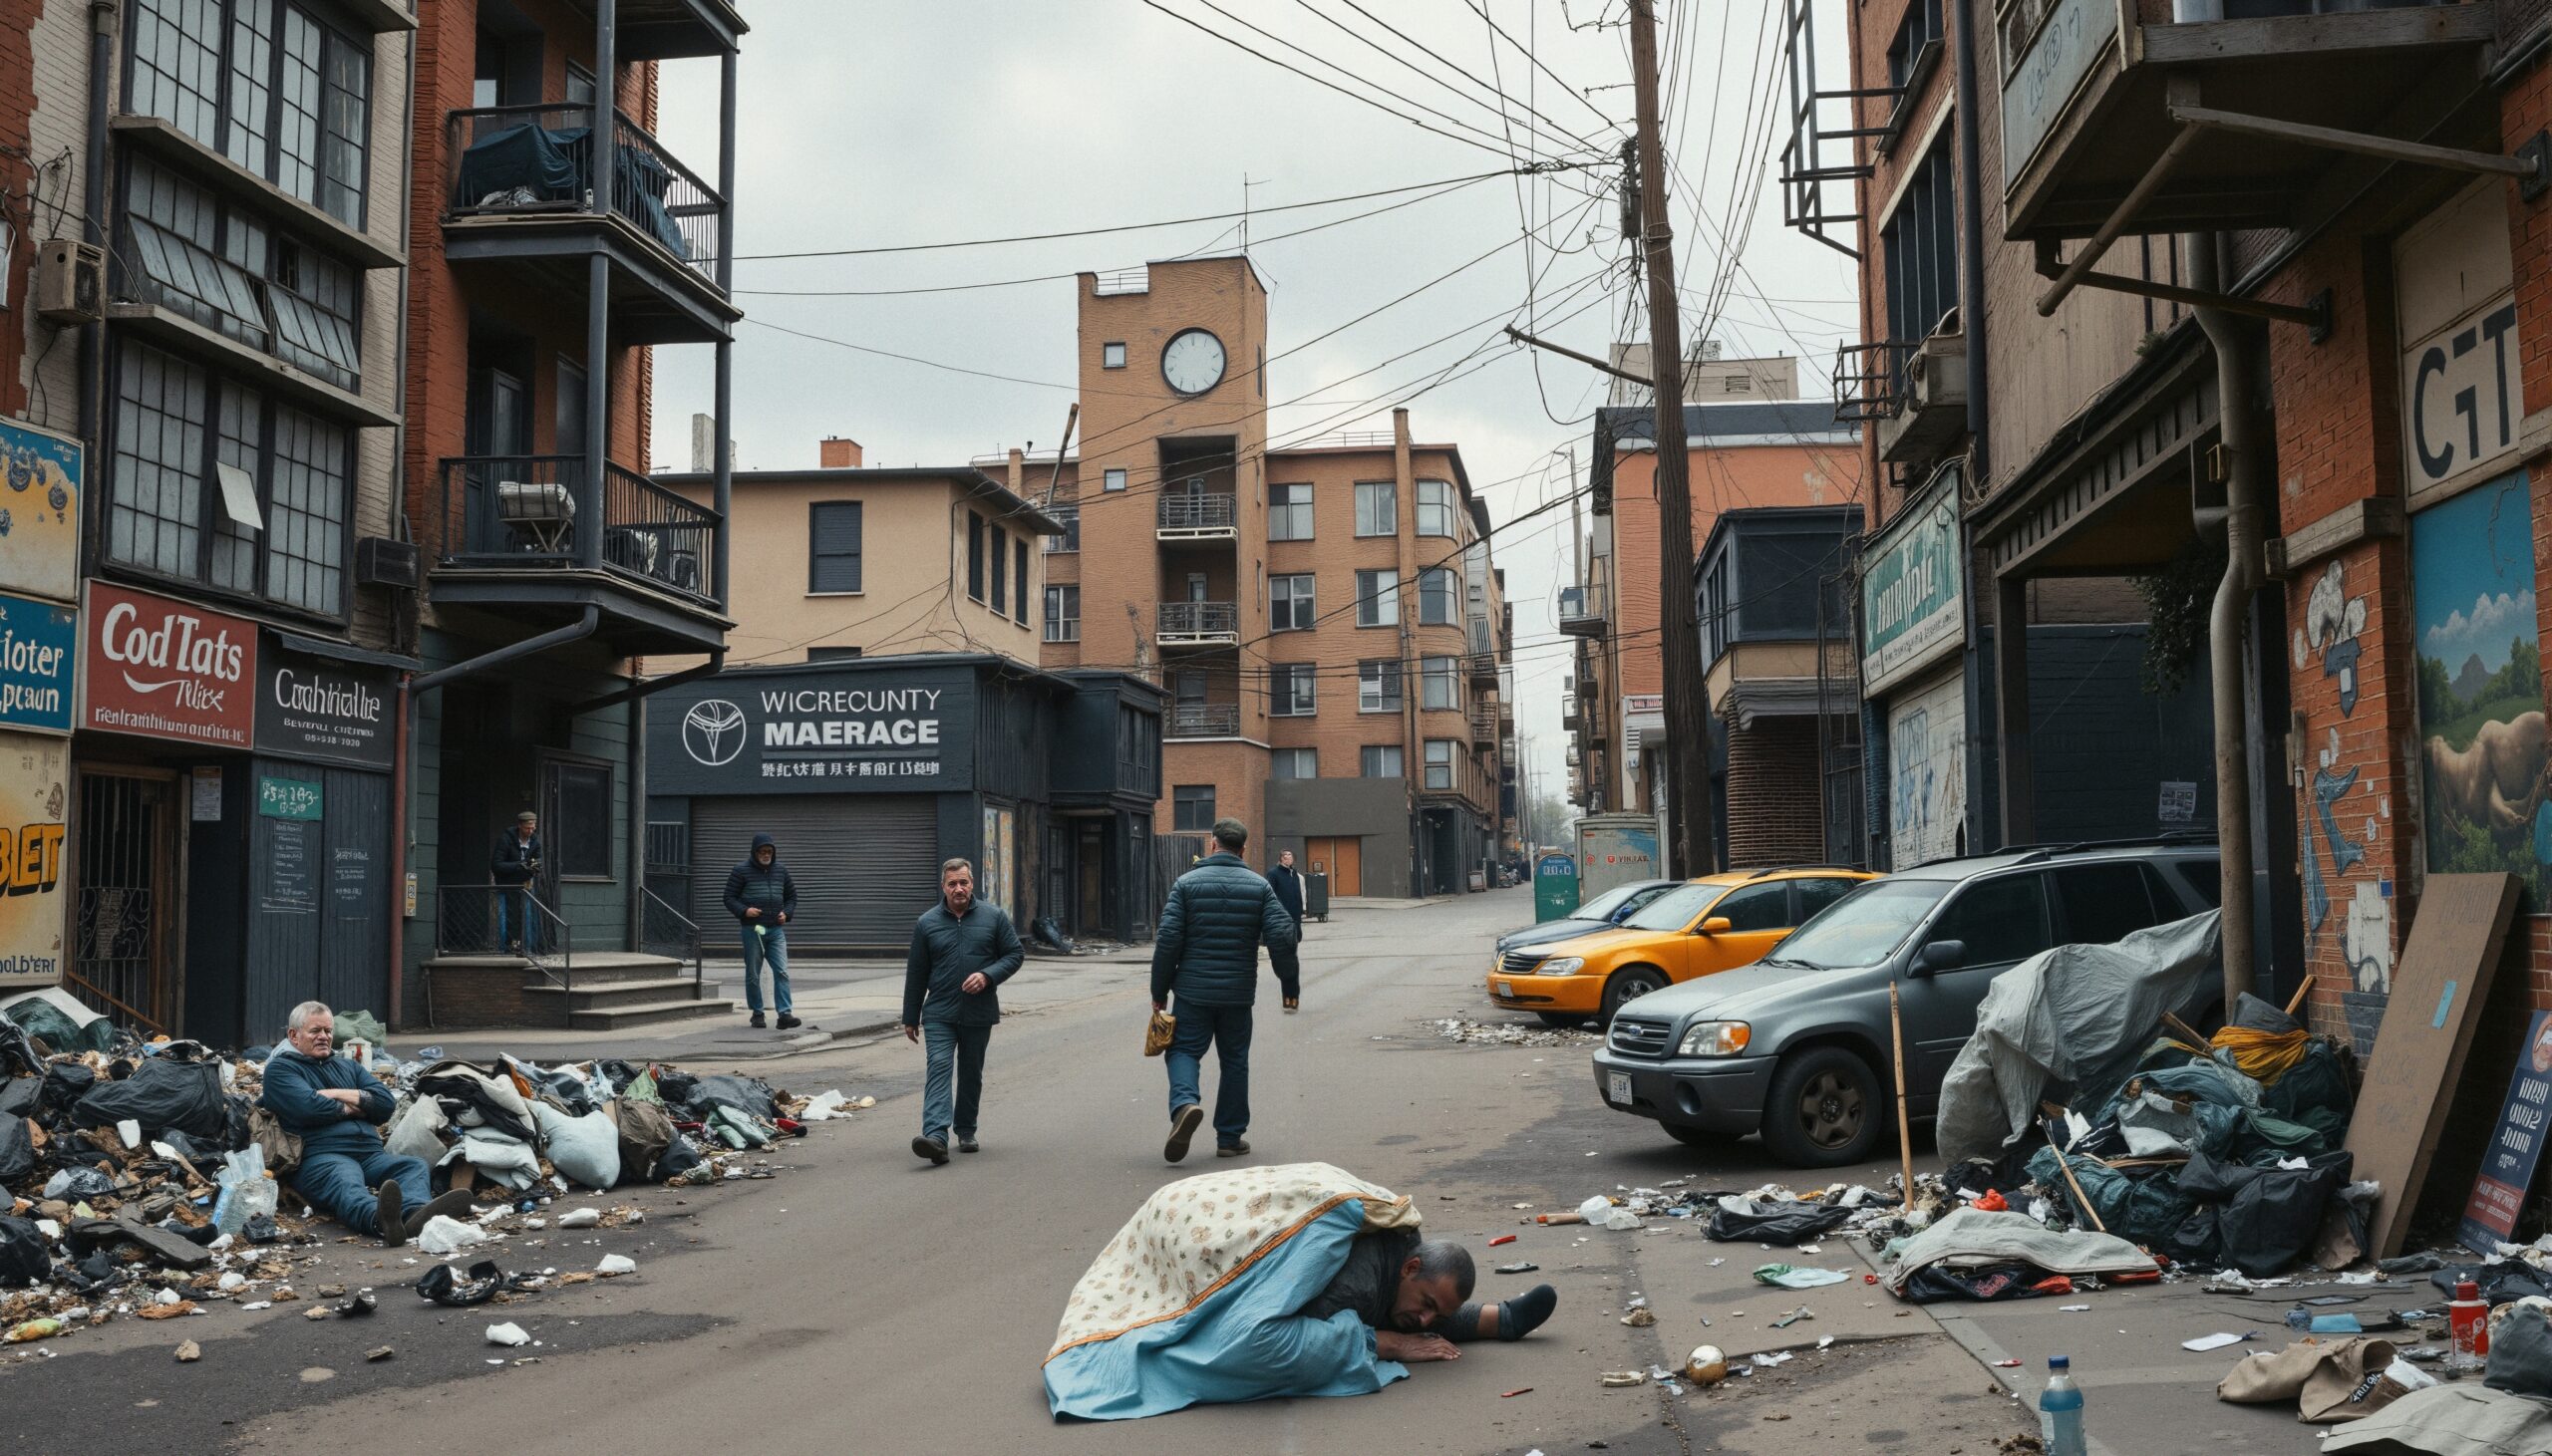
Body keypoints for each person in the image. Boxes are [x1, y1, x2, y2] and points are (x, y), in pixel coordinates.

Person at [1042, 1163, 1559, 1421]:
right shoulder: (1354, 1282)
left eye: (1438, 1316)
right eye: (1429, 1306)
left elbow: (1408, 1310)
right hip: (1182, 1222)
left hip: (1228, 1201)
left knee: (1403, 1315)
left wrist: (1418, 1324)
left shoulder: (1402, 1256)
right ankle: (1490, 1321)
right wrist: (1381, 1343)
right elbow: (1260, 1340)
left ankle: (1496, 1320)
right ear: (1410, 1267)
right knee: (1259, 1339)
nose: (1426, 1322)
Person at [258, 1002, 470, 1245]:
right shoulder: (280, 1070)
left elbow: (385, 1104)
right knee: (346, 1181)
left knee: (412, 1166)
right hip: (322, 1157)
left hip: (370, 1155)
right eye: (315, 1031)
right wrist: (360, 1105)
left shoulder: (348, 1066)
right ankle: (381, 1222)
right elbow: (310, 1108)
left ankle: (414, 1215)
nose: (324, 1037)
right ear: (294, 1035)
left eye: (328, 1031)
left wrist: (334, 1094)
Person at [1150, 817, 1298, 1163]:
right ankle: (1230, 1138)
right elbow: (1282, 935)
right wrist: (1289, 986)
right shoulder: (1260, 887)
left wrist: (1159, 991)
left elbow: (1168, 941)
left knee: (1183, 1051)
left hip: (1192, 992)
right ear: (1243, 850)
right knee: (1234, 1061)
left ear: (1213, 844)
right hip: (1237, 993)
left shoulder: (1186, 884)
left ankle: (1185, 1105)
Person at [902, 856, 1024, 1165]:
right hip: (939, 1012)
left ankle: (966, 1130)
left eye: (964, 882)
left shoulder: (994, 917)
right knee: (939, 1066)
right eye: (952, 883)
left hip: (979, 1012)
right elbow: (917, 972)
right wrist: (910, 1016)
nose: (959, 888)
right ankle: (935, 1137)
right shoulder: (927, 922)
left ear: (972, 884)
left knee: (971, 1072)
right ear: (943, 886)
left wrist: (988, 975)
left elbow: (1014, 954)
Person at [723, 832, 798, 1030]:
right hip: (753, 929)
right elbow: (729, 897)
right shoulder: (741, 871)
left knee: (781, 971)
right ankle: (757, 1013)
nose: (766, 855)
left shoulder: (781, 870)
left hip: (775, 929)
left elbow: (792, 897)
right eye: (762, 851)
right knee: (753, 973)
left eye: (769, 852)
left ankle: (785, 1014)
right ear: (754, 852)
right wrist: (745, 911)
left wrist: (786, 913)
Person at [490, 811, 541, 953]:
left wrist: (532, 867)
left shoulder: (535, 840)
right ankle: (504, 948)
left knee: (527, 917)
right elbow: (496, 865)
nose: (530, 831)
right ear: (520, 826)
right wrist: (520, 865)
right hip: (506, 885)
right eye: (527, 828)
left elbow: (538, 862)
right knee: (506, 917)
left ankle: (527, 948)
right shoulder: (506, 839)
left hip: (525, 885)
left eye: (533, 828)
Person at [1266, 849, 1305, 1017]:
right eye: (1285, 856)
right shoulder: (1274, 874)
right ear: (1280, 859)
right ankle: (1289, 997)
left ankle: (1292, 998)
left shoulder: (1295, 875)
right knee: (1287, 964)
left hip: (1294, 922)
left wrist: (1300, 919)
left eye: (1290, 856)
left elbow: (1299, 896)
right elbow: (1271, 896)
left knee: (1292, 962)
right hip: (1280, 923)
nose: (1288, 858)